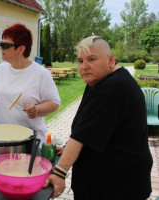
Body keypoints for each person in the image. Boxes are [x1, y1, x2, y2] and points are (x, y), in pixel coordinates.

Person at [43, 36, 153, 200]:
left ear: (110, 60)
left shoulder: (113, 87)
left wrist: (59, 172)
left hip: (117, 185)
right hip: (110, 179)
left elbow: (81, 136)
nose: (84, 66)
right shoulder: (97, 82)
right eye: (80, 61)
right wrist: (68, 147)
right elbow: (87, 125)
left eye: (91, 59)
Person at [0, 23, 61, 144]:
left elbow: (54, 103)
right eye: (1, 44)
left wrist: (37, 109)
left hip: (27, 141)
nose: (1, 48)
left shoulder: (41, 74)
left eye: (5, 45)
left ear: (21, 49)